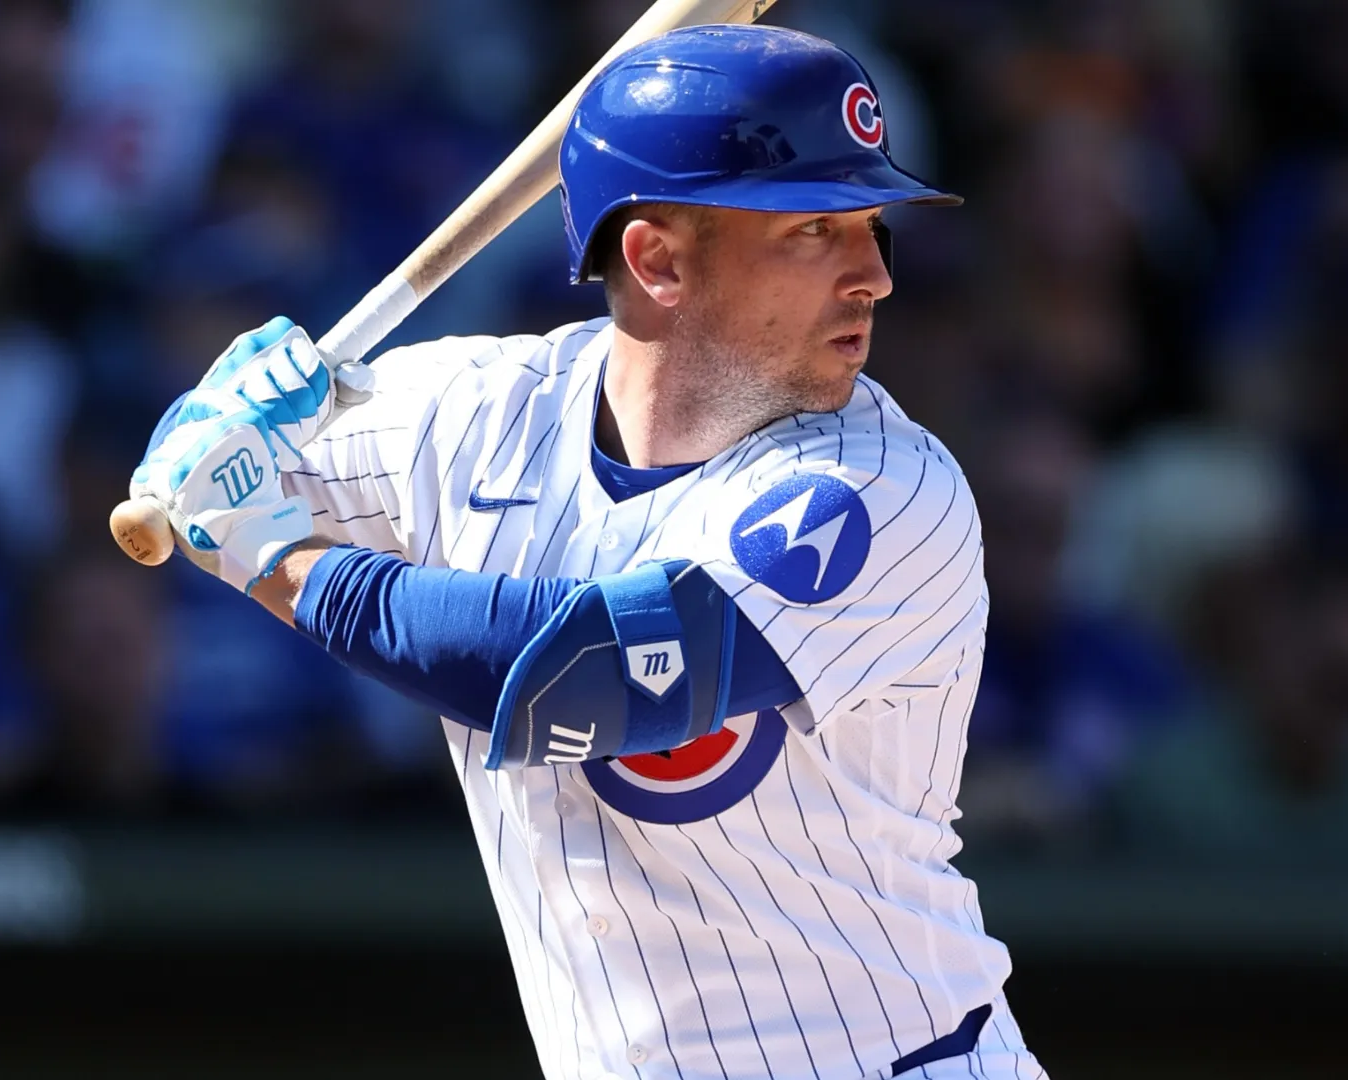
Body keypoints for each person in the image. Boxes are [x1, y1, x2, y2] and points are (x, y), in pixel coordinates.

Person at [127, 25, 1044, 1080]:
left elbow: (583, 680)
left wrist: (271, 560)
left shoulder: (882, 493)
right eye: (817, 230)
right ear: (656, 257)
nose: (875, 277)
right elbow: (203, 481)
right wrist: (208, 422)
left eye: (871, 227)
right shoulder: (473, 412)